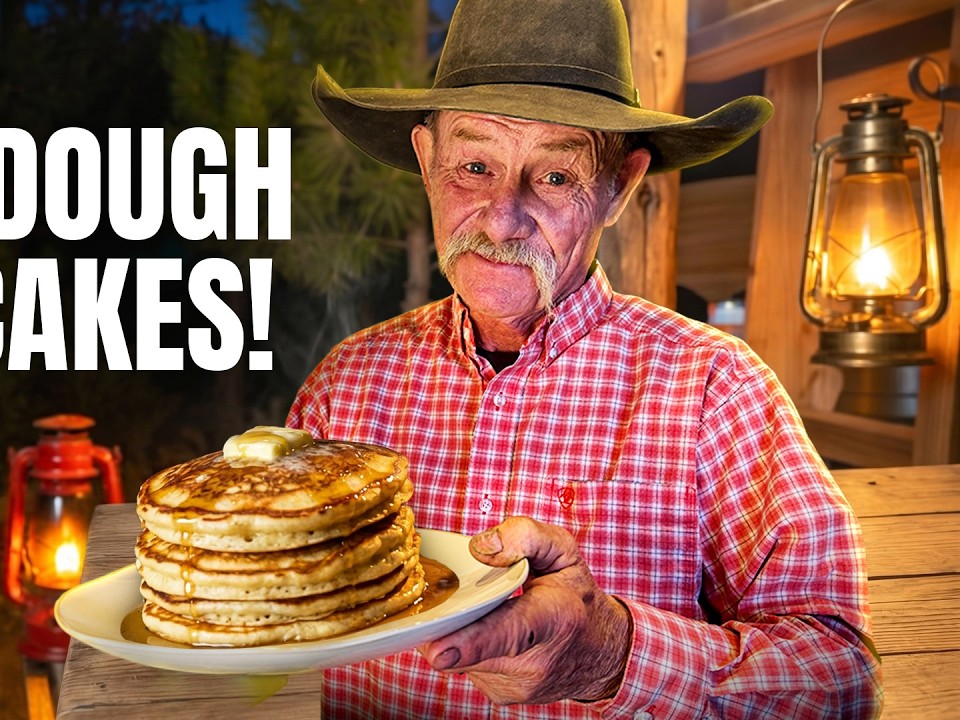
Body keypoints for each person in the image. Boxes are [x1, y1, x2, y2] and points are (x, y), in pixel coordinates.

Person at [285, 0, 882, 717]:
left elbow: (843, 680)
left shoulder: (716, 388)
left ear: (618, 187)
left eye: (556, 177)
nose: (502, 218)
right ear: (427, 160)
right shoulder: (347, 384)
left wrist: (614, 654)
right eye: (474, 165)